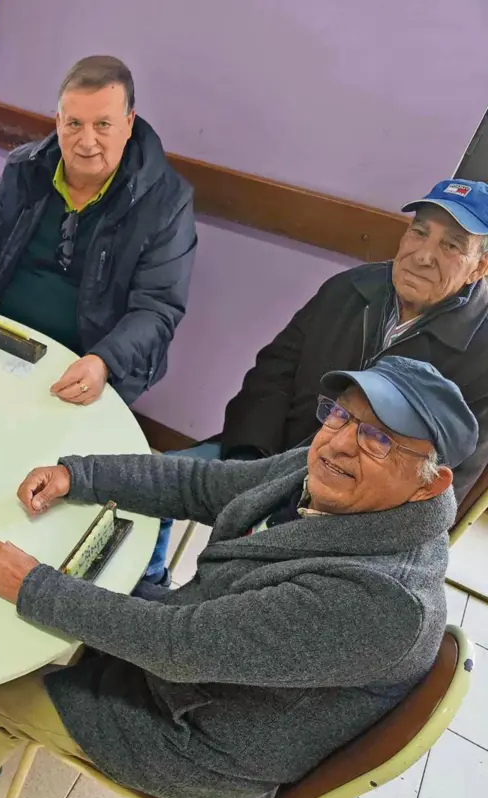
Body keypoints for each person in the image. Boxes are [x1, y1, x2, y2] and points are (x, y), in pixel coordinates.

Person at [0, 356, 476, 798]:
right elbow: (206, 485)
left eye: (378, 439)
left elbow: (178, 647)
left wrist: (35, 587)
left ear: (432, 483)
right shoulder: (328, 471)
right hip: (206, 660)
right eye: (340, 416)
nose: (340, 443)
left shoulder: (382, 603)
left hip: (205, 738)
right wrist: (79, 475)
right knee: (64, 602)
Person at [143, 178, 488, 587]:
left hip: (348, 518)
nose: (424, 255)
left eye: (451, 246)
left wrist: (323, 519)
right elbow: (272, 374)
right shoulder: (349, 288)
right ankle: (151, 582)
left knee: (240, 588)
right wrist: (251, 459)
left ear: (480, 267)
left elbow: (444, 482)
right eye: (418, 231)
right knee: (151, 485)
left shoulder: (481, 356)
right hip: (271, 458)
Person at [0, 55, 196, 406]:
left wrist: (104, 362)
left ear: (129, 123)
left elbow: (157, 310)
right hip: (2, 337)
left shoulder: (168, 203)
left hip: (88, 359)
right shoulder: (26, 168)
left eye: (103, 125)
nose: (86, 141)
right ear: (58, 121)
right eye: (74, 124)